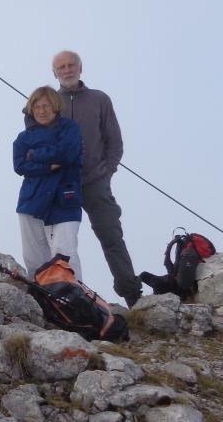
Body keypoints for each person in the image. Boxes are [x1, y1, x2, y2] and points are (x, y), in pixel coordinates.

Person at [51, 50, 141, 307]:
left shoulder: (99, 99)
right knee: (61, 244)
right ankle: (66, 302)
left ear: (81, 68)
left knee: (111, 237)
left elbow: (115, 142)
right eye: (61, 67)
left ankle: (132, 297)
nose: (67, 70)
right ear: (54, 73)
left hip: (95, 182)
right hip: (60, 185)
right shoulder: (48, 102)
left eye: (71, 65)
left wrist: (106, 173)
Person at [14, 86, 84, 279]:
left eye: (46, 106)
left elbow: (66, 154)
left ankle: (74, 298)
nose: (41, 111)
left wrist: (35, 154)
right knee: (34, 259)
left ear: (56, 107)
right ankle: (42, 300)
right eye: (36, 106)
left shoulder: (70, 128)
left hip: (65, 201)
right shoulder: (23, 137)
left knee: (65, 254)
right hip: (31, 203)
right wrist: (47, 166)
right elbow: (19, 165)